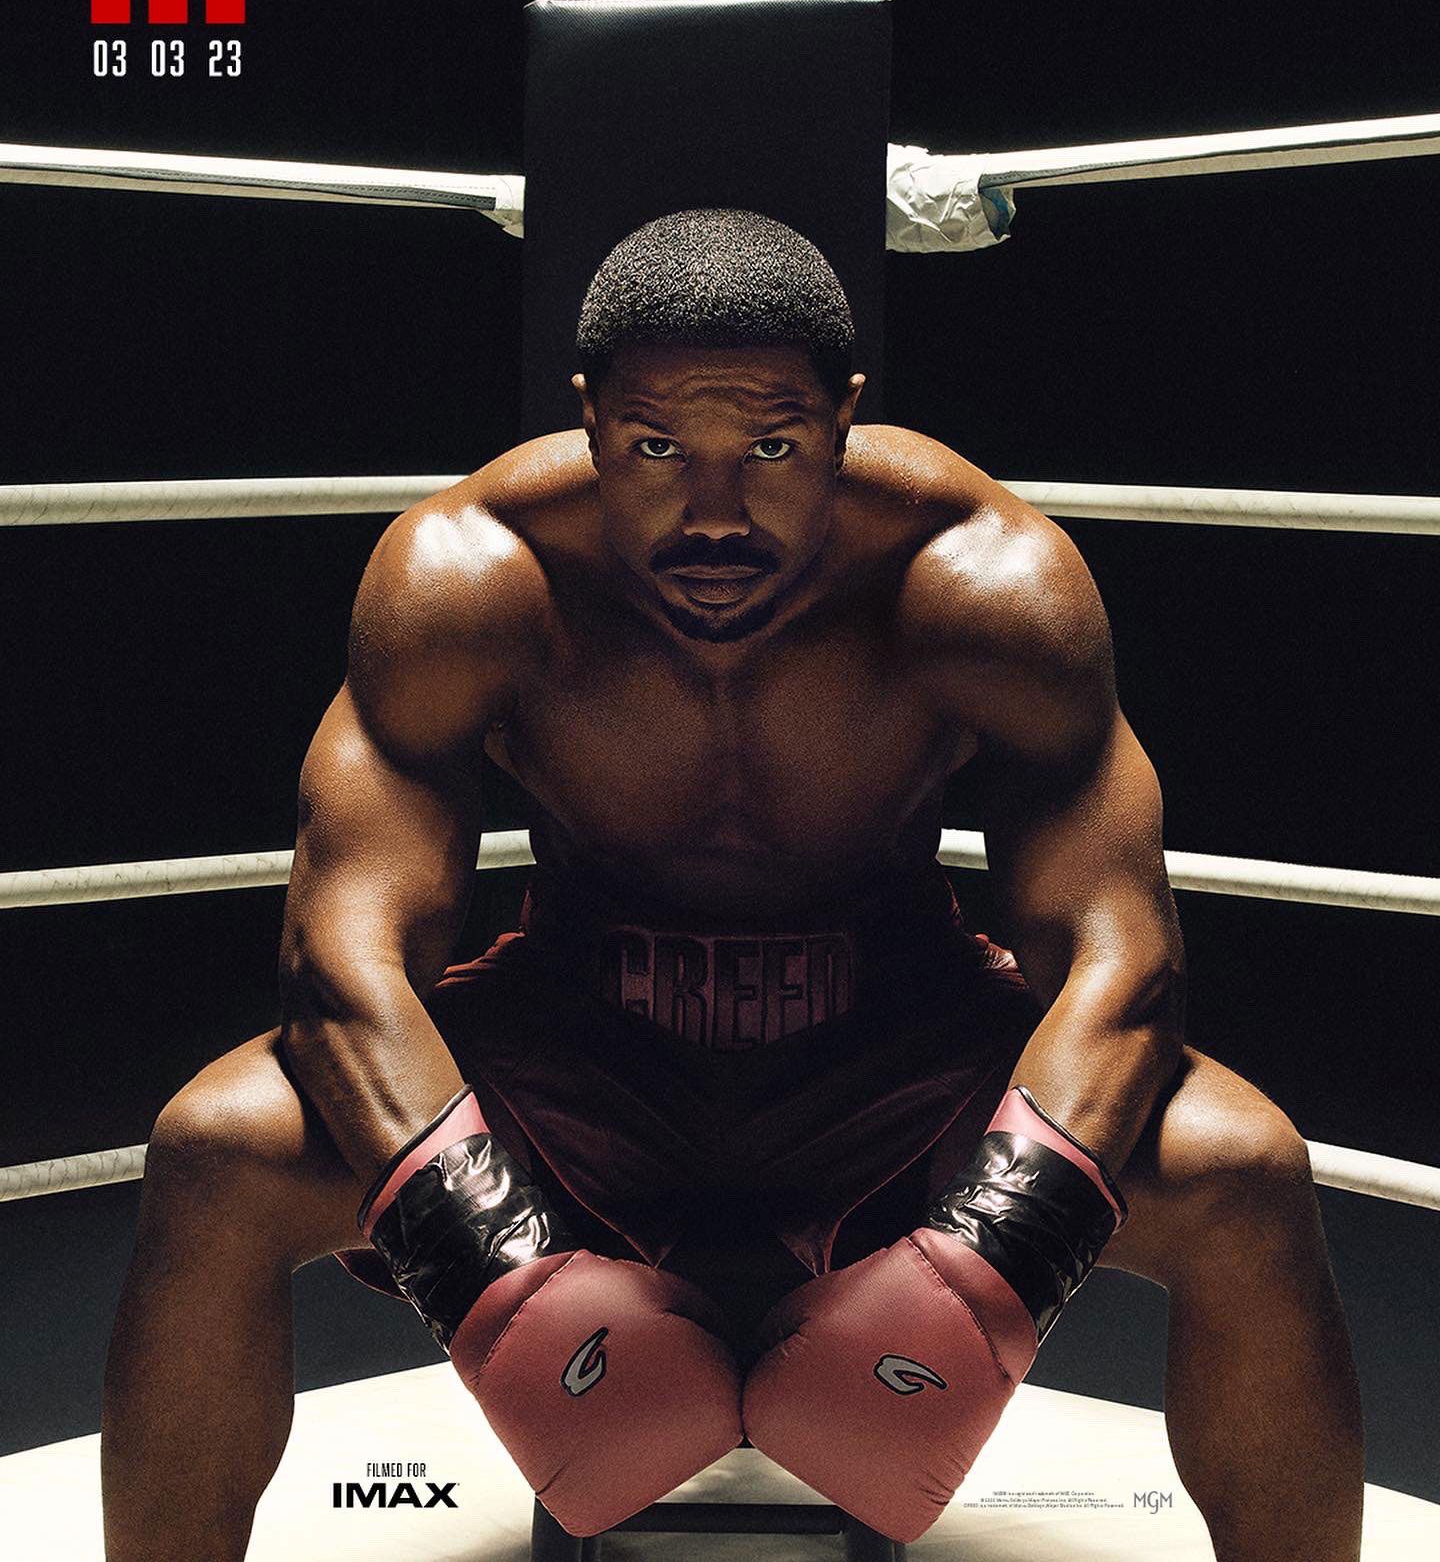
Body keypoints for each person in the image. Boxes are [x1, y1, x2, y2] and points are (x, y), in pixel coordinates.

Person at [102, 209, 1363, 1559]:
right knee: (217, 1147)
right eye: (656, 449)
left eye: (771, 448)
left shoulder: (981, 579)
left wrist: (995, 1254)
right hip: (580, 1054)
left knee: (1244, 1170)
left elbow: (1121, 957)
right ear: (590, 423)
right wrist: (491, 1263)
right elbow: (342, 959)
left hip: (900, 1055)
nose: (714, 511)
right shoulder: (473, 576)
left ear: (845, 420)